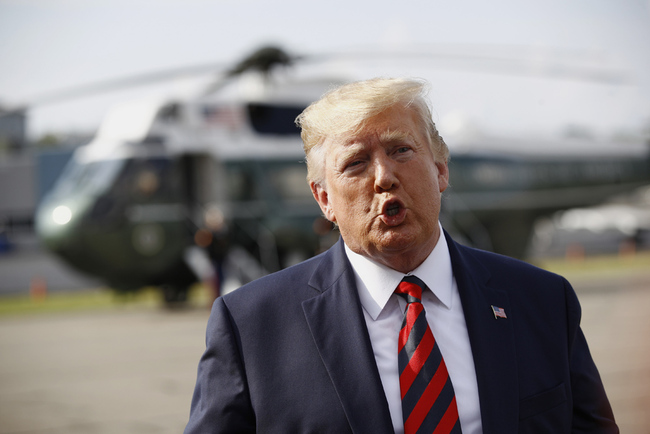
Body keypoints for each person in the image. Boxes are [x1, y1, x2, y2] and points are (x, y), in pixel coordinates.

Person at [184, 78, 618, 433]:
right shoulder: (251, 327)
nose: (384, 176)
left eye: (401, 150)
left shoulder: (542, 301)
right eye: (355, 163)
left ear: (441, 169)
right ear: (323, 200)